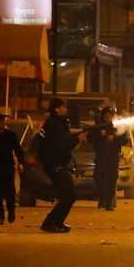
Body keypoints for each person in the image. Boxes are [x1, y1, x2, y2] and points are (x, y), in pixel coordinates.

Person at [38, 98, 86, 233]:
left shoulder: (59, 123)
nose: (66, 109)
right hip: (55, 165)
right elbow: (61, 147)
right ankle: (50, 223)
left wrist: (76, 138)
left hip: (58, 164)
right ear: (56, 109)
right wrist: (77, 139)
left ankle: (56, 222)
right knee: (70, 195)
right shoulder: (54, 124)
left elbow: (64, 142)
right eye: (63, 107)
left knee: (68, 195)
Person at [89, 107, 128, 211]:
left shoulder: (118, 126)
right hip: (100, 157)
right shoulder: (99, 126)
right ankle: (102, 199)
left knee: (111, 179)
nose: (108, 117)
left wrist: (114, 137)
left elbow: (124, 140)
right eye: (106, 115)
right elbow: (91, 139)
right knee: (99, 178)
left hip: (113, 157)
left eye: (110, 115)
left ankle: (109, 202)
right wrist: (100, 135)